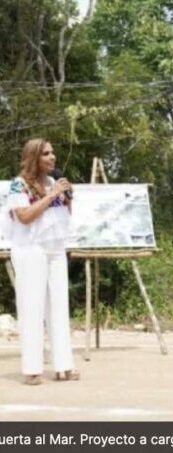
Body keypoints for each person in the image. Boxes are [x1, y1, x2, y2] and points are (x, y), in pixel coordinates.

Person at [0, 139, 79, 384]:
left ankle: (63, 365)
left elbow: (62, 217)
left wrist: (66, 198)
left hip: (55, 248)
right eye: (46, 153)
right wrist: (50, 196)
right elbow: (24, 217)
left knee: (59, 306)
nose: (52, 157)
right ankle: (32, 369)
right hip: (30, 249)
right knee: (32, 307)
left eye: (53, 152)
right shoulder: (19, 185)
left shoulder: (53, 182)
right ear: (34, 157)